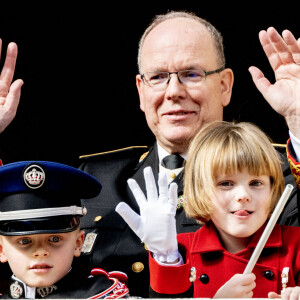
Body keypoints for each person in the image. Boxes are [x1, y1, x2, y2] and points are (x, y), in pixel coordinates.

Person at [78, 10, 300, 297]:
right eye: (158, 76)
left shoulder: (277, 172)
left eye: (191, 74)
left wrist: (298, 119)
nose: (173, 91)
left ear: (224, 86)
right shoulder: (93, 179)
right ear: (141, 91)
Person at [116, 121, 300, 299]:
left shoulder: (296, 245)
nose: (243, 195)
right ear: (201, 190)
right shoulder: (179, 252)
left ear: (272, 188)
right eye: (226, 183)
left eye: (256, 183)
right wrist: (167, 259)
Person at [0, 160, 129, 299]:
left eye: (55, 239)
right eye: (24, 241)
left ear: (78, 243)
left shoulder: (103, 295)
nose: (40, 252)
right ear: (1, 250)